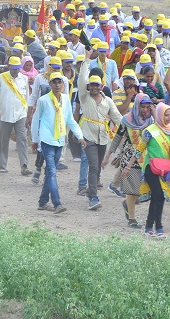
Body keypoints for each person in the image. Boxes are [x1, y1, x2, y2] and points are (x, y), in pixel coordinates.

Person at [31, 72, 86, 214]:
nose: (57, 85)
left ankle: (42, 202)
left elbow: (69, 119)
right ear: (50, 84)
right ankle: (57, 203)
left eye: (59, 82)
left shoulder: (66, 100)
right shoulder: (43, 100)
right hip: (46, 140)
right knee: (52, 172)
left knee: (50, 173)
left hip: (60, 140)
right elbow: (35, 120)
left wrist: (80, 136)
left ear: (63, 84)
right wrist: (34, 140)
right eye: (54, 82)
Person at [77, 47, 123, 211]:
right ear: (89, 87)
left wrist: (132, 127)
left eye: (97, 85)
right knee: (94, 165)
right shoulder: (84, 97)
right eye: (92, 85)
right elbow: (81, 79)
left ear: (102, 86)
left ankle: (92, 189)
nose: (94, 87)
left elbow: (118, 118)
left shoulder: (108, 101)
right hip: (88, 136)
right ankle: (93, 197)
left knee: (97, 169)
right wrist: (87, 60)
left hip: (103, 137)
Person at [105, 93, 154, 228]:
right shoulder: (127, 120)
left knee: (145, 189)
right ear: (137, 106)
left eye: (147, 107)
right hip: (129, 157)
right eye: (142, 107)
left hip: (146, 158)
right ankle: (132, 218)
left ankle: (128, 203)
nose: (145, 110)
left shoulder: (150, 121)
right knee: (132, 190)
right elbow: (117, 137)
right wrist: (107, 156)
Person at [138, 102, 170, 238]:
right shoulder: (149, 131)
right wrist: (127, 167)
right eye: (166, 115)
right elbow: (139, 150)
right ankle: (158, 227)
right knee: (159, 197)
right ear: (160, 115)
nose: (168, 118)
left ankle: (149, 227)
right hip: (151, 168)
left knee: (156, 198)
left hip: (167, 169)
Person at [0, 56, 31, 176]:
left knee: (23, 140)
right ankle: (2, 165)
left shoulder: (24, 79)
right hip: (5, 114)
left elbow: (27, 98)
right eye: (13, 68)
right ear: (9, 67)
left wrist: (28, 115)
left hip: (21, 114)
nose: (15, 71)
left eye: (17, 68)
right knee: (3, 140)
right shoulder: (1, 78)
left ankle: (24, 166)